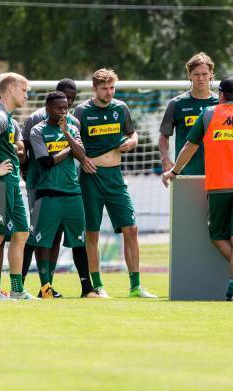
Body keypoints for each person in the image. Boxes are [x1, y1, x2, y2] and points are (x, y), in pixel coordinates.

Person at [162, 77, 233, 301]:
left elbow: (189, 146)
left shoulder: (208, 114)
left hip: (218, 186)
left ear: (221, 95)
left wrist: (174, 171)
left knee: (217, 236)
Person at [74, 68, 157, 298]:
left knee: (131, 228)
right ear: (94, 88)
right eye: (104, 88)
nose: (109, 92)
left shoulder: (120, 108)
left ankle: (136, 286)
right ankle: (98, 286)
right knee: (92, 233)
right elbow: (71, 142)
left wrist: (131, 142)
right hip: (90, 179)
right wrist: (83, 159)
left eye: (112, 88)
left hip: (115, 177)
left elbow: (133, 134)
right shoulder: (82, 111)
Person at [28, 91, 98, 298]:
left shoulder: (73, 127)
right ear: (48, 109)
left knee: (79, 241)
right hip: (47, 193)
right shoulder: (37, 130)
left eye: (66, 108)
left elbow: (82, 155)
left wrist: (67, 135)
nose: (63, 111)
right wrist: (70, 150)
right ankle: (45, 288)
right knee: (43, 242)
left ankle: (87, 289)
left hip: (73, 193)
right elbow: (46, 162)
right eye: (59, 108)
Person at [21, 79, 80, 291]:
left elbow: (79, 153)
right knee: (37, 235)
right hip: (39, 184)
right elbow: (25, 150)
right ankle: (21, 284)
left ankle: (47, 285)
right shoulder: (35, 120)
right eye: (66, 98)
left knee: (56, 235)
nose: (69, 103)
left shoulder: (73, 123)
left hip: (64, 187)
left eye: (72, 99)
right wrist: (25, 174)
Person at [0, 72, 34, 300]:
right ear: (10, 89)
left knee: (21, 232)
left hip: (11, 184)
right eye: (24, 90)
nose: (26, 95)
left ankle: (16, 289)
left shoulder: (9, 119)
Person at [158, 52, 219, 174]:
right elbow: (164, 135)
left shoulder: (221, 103)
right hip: (184, 172)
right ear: (189, 75)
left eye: (204, 74)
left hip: (216, 173)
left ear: (211, 74)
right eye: (196, 74)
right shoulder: (176, 104)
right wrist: (165, 158)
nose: (201, 78)